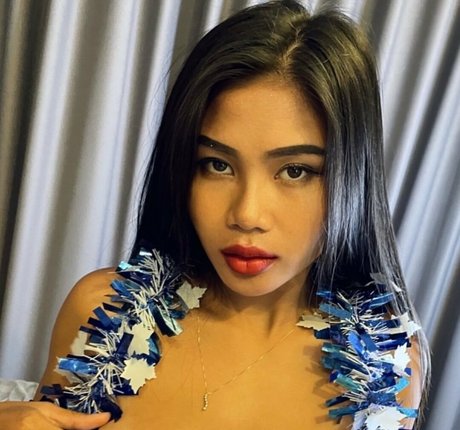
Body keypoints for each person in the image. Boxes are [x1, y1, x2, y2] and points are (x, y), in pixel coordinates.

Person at [0, 0, 430, 429]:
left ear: (353, 178)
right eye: (217, 165)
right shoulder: (100, 311)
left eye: (295, 171)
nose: (246, 214)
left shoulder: (384, 369)